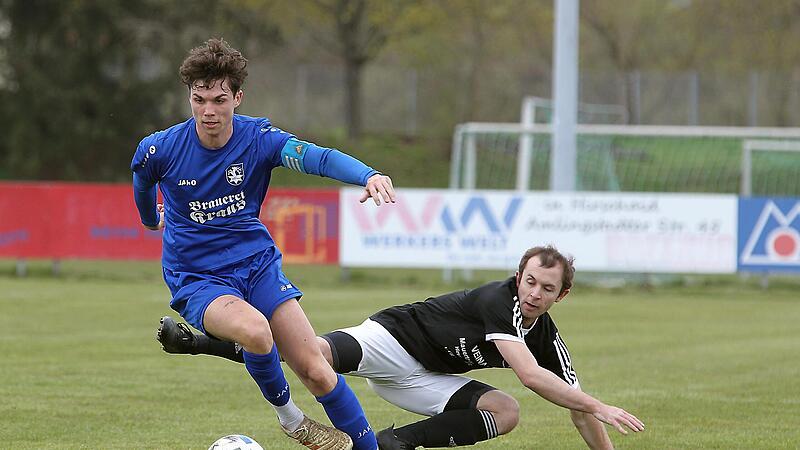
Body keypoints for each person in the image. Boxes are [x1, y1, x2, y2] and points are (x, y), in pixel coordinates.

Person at [131, 38, 394, 450]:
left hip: (256, 265)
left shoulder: (260, 140)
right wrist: (151, 220)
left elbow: (318, 158)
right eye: (198, 100)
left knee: (317, 370)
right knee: (256, 332)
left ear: (238, 96)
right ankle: (292, 421)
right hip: (198, 277)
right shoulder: (160, 148)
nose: (208, 111)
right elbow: (142, 182)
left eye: (219, 99)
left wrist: (368, 175)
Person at [157, 246, 645, 449]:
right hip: (396, 338)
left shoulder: (547, 337)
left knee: (505, 411)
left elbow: (580, 412)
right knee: (314, 356)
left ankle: (390, 444)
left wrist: (594, 413)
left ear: (562, 295)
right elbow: (532, 376)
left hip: (424, 381)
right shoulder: (503, 302)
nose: (533, 292)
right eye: (529, 281)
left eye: (545, 288)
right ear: (518, 277)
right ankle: (203, 342)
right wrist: (599, 402)